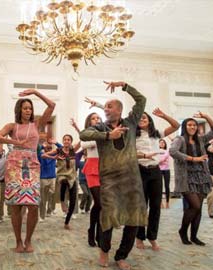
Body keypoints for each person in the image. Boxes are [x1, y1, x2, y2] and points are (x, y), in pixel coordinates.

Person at [80, 81, 147, 270]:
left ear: (119, 110)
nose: (106, 109)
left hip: (132, 178)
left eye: (109, 106)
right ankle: (104, 250)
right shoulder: (101, 127)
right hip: (108, 178)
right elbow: (84, 135)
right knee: (107, 216)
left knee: (134, 219)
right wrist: (109, 136)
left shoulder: (131, 122)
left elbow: (141, 99)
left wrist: (124, 85)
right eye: (105, 107)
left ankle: (121, 255)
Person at [0, 89, 55, 253]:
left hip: (31, 165)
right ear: (19, 109)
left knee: (33, 204)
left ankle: (28, 240)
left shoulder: (37, 124)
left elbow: (52, 105)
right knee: (16, 206)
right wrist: (15, 141)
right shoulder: (12, 126)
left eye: (30, 108)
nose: (28, 111)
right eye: (25, 108)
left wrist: (35, 92)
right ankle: (18, 241)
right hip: (14, 165)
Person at [169, 112, 213, 246]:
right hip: (186, 177)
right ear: (185, 126)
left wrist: (206, 116)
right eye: (189, 125)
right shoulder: (180, 139)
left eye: (194, 125)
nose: (192, 127)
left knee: (198, 209)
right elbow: (173, 152)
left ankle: (194, 236)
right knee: (195, 206)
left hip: (201, 176)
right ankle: (182, 231)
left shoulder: (201, 139)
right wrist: (193, 158)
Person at [134, 109, 179, 251]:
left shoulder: (156, 134)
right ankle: (139, 236)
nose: (142, 119)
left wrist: (164, 115)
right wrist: (144, 155)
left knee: (155, 206)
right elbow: (129, 154)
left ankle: (152, 237)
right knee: (141, 206)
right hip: (140, 171)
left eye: (145, 117)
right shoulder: (132, 136)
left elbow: (177, 126)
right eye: (139, 118)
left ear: (149, 120)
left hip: (155, 171)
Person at [72, 113, 102, 247]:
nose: (96, 120)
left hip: (104, 168)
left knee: (103, 205)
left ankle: (100, 233)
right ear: (89, 122)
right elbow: (84, 145)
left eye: (98, 118)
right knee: (99, 202)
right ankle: (91, 230)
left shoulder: (105, 132)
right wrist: (102, 138)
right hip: (91, 168)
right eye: (93, 118)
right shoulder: (86, 134)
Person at [42, 134, 80, 230]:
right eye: (65, 139)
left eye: (68, 140)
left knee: (73, 202)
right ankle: (62, 201)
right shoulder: (58, 151)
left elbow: (82, 140)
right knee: (64, 182)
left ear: (71, 141)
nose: (66, 141)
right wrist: (53, 158)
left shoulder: (73, 150)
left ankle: (67, 222)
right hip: (62, 176)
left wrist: (76, 127)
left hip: (72, 177)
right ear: (63, 141)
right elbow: (43, 155)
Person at [37, 138, 62, 222]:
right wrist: (41, 147)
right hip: (43, 178)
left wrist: (56, 143)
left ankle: (49, 210)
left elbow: (63, 149)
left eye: (50, 148)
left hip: (52, 177)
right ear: (44, 148)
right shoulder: (41, 154)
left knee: (52, 195)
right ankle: (42, 216)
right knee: (43, 198)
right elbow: (37, 151)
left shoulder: (54, 154)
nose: (49, 149)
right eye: (47, 148)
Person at [159, 139, 171, 209]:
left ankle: (167, 202)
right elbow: (157, 159)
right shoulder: (157, 151)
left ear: (165, 144)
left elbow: (162, 159)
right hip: (159, 170)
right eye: (160, 143)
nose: (162, 144)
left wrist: (158, 161)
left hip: (166, 170)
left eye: (163, 142)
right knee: (159, 187)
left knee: (167, 186)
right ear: (158, 144)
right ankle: (160, 203)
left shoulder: (167, 151)